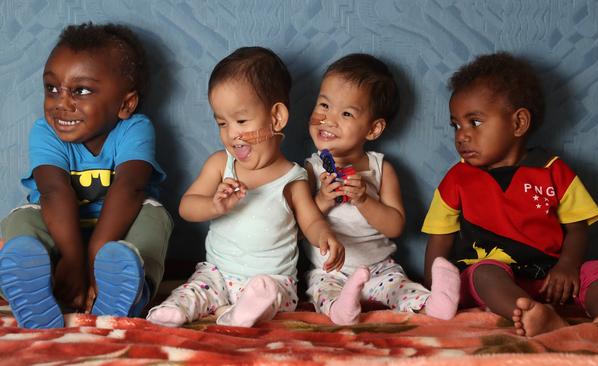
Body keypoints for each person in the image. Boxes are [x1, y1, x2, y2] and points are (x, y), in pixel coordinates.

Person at [421, 51, 598, 337]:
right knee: (483, 272)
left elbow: (577, 230)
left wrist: (566, 267)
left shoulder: (554, 171)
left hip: (550, 277)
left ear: (518, 123)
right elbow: (440, 237)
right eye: (456, 125)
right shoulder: (457, 178)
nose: (462, 135)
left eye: (474, 122)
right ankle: (530, 312)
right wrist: (433, 287)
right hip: (493, 279)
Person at [146, 47, 345, 328]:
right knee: (195, 287)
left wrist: (325, 237)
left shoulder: (293, 179)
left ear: (276, 118)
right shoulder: (220, 164)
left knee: (269, 293)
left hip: (271, 280)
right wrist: (214, 205)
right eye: (222, 123)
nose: (231, 134)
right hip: (218, 272)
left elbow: (311, 221)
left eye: (241, 121)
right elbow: (187, 207)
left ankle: (242, 313)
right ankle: (176, 310)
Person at [0, 23, 173, 329]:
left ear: (125, 104)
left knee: (154, 216)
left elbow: (130, 186)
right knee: (20, 221)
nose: (61, 103)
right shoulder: (46, 131)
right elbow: (53, 190)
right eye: (52, 88)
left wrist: (95, 254)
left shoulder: (134, 128)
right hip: (61, 232)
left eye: (80, 90)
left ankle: (131, 291)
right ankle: (34, 291)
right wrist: (72, 257)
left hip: (114, 240)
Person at [303, 53, 460, 325]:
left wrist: (364, 199)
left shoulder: (380, 169)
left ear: (374, 129)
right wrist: (323, 200)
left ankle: (434, 303)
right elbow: (297, 225)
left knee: (401, 288)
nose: (328, 119)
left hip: (380, 268)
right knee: (321, 291)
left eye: (347, 113)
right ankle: (343, 309)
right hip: (330, 271)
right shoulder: (310, 170)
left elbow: (395, 226)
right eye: (324, 105)